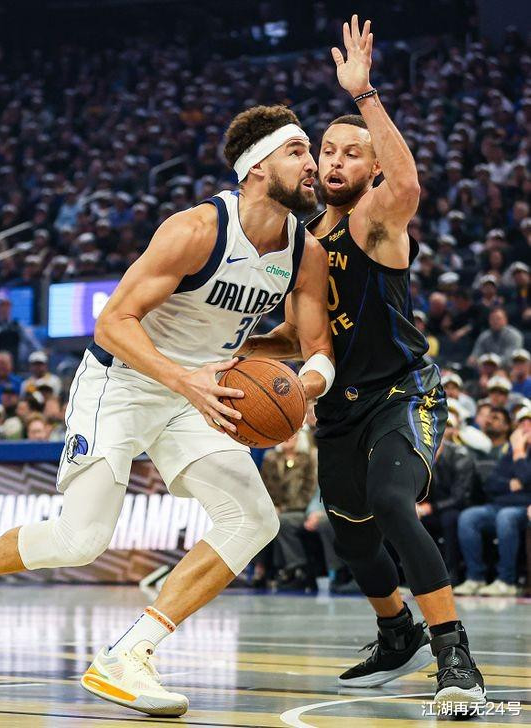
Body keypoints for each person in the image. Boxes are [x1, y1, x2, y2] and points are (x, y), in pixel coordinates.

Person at [0, 104, 334, 717]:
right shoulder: (196, 230)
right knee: (81, 539)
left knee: (253, 519)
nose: (313, 163)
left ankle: (129, 653)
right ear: (257, 167)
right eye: (298, 151)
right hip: (123, 380)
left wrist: (303, 389)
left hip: (205, 389)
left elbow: (317, 348)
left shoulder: (305, 253)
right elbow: (112, 322)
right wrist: (183, 378)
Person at [243, 16, 484, 712]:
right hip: (339, 405)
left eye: (353, 153)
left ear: (371, 168)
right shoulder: (300, 242)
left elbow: (407, 183)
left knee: (391, 504)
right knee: (350, 535)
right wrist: (236, 349)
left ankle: (454, 657)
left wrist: (364, 95)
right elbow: (299, 335)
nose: (337, 161)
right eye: (328, 150)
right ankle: (396, 630)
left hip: (403, 393)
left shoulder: (375, 219)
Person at [455, 407, 530, 596]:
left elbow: (526, 477)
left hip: (523, 508)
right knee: (469, 517)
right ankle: (475, 577)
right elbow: (491, 483)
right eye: (521, 423)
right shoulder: (509, 453)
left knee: (506, 517)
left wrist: (519, 452)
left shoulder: (516, 451)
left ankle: (507, 580)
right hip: (499, 505)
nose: (525, 427)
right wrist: (511, 483)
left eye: (529, 423)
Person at [418, 426, 477, 584]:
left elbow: (460, 497)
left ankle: (451, 573)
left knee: (449, 519)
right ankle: (418, 576)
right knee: (411, 521)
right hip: (433, 507)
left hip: (459, 506)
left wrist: (432, 507)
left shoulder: (461, 456)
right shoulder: (420, 455)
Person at [260, 432, 317, 590]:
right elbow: (264, 487)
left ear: (300, 438)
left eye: (292, 435)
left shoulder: (307, 459)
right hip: (275, 509)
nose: (287, 438)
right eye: (285, 434)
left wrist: (283, 508)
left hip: (300, 509)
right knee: (262, 520)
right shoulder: (270, 458)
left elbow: (309, 491)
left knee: (282, 521)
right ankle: (263, 571)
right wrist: (272, 507)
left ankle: (296, 567)